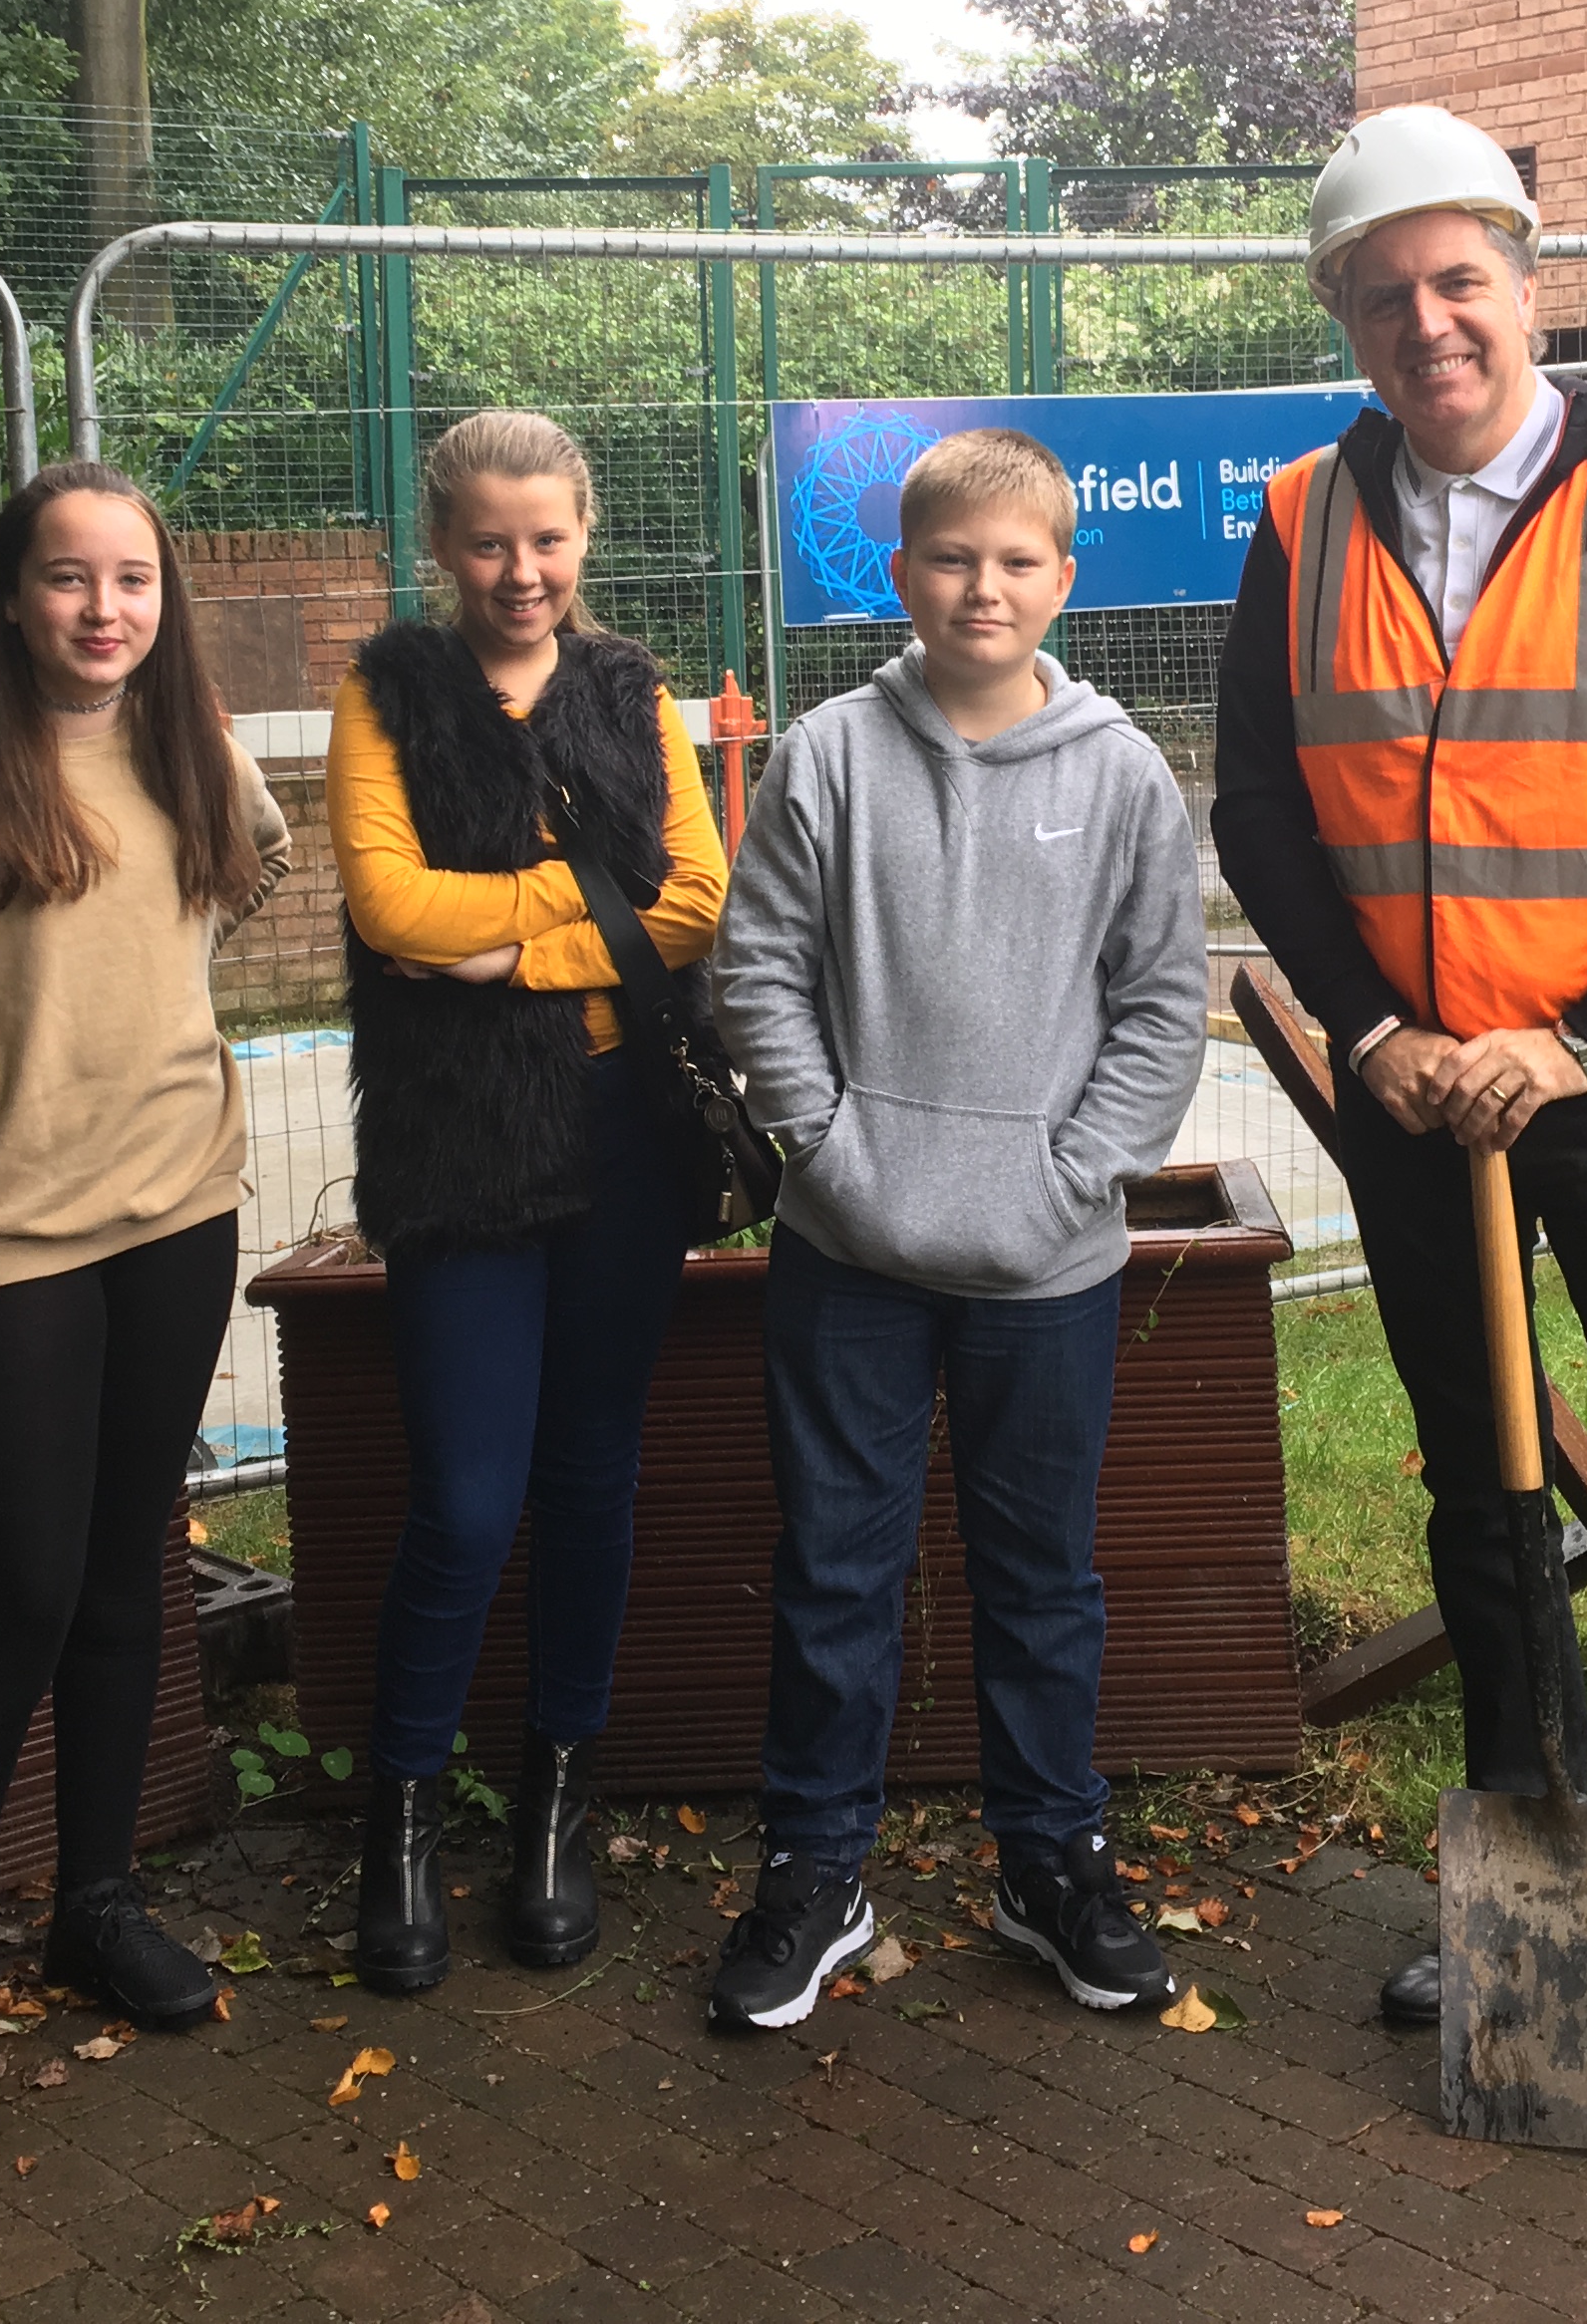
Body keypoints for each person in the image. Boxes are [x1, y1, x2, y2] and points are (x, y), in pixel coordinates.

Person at [1206, 107, 1587, 2139]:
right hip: (1415, 1104)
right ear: (1349, 322)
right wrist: (1379, 1028)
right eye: (1386, 296)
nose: (1429, 322)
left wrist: (1580, 1034)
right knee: (1483, 1501)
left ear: (1526, 285)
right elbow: (1264, 816)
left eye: (1460, 280)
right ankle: (1530, 1924)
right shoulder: (1303, 518)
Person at [704, 427, 1210, 2032]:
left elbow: (1163, 1004)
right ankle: (815, 1869)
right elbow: (757, 971)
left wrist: (1077, 1174)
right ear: (901, 572)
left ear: (1065, 578)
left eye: (1016, 562)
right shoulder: (829, 756)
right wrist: (829, 1157)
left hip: (1050, 1267)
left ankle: (1048, 1859)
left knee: (1041, 1577)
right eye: (949, 558)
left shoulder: (1124, 771)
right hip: (847, 1254)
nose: (980, 588)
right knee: (835, 1571)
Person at [0, 457, 296, 2091]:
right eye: (68, 579)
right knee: (19, 1593)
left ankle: (96, 1906)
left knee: (125, 1578)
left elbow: (251, 877)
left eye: (134, 582)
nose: (105, 611)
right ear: (11, 596)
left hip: (177, 1216)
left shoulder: (197, 755)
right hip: (5, 1251)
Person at [331, 409, 727, 1991]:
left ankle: (561, 1798)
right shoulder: (389, 694)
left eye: (547, 539)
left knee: (592, 1481)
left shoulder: (636, 697)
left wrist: (517, 949)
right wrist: (590, 907)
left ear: (585, 537)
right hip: (458, 1151)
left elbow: (695, 904)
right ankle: (404, 1815)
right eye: (489, 541)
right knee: (468, 1502)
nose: (520, 570)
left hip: (626, 1139)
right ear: (443, 546)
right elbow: (388, 904)